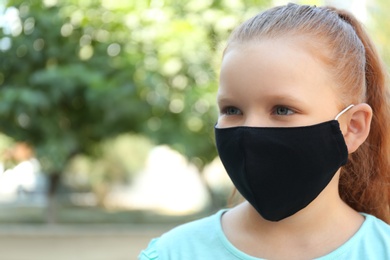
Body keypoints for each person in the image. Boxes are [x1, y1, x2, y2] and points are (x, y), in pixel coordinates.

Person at [139, 3, 390, 259]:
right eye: (232, 110)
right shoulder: (173, 253)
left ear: (353, 127)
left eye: (282, 110)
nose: (250, 130)